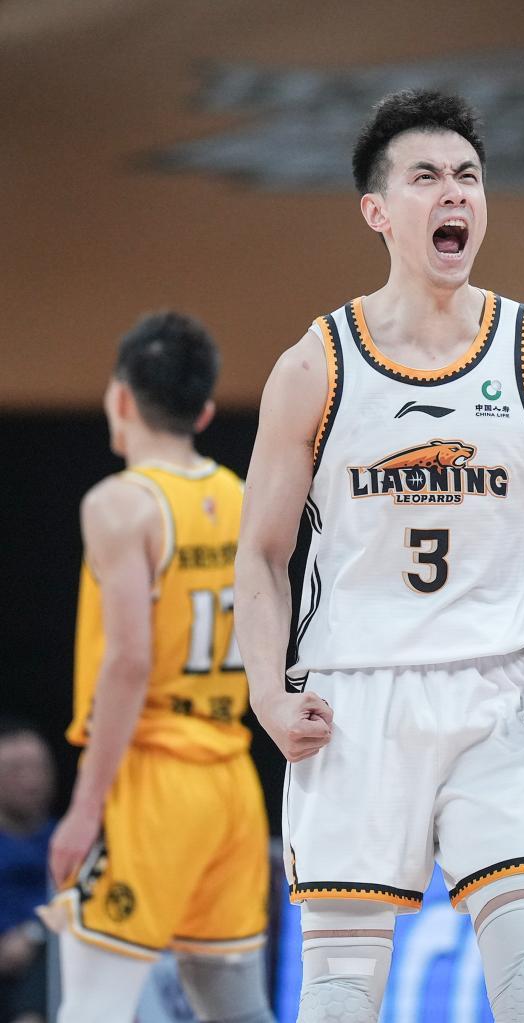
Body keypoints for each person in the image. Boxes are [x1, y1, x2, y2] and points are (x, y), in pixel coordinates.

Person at [234, 90, 524, 1023]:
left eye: (468, 177)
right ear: (377, 210)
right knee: (339, 999)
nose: (454, 193)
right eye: (427, 177)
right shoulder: (314, 366)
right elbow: (262, 553)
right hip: (357, 696)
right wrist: (267, 692)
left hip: (508, 690)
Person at [42, 313, 275, 1023]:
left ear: (120, 397)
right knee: (235, 1008)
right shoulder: (246, 497)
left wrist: (85, 808)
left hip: (151, 777)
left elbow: (129, 661)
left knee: (92, 1007)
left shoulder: (120, 503)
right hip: (231, 780)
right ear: (204, 411)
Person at [0, 721, 56, 1023]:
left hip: (46, 964)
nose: (31, 781)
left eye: (39, 768)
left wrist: (34, 933)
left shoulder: (68, 842)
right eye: (16, 770)